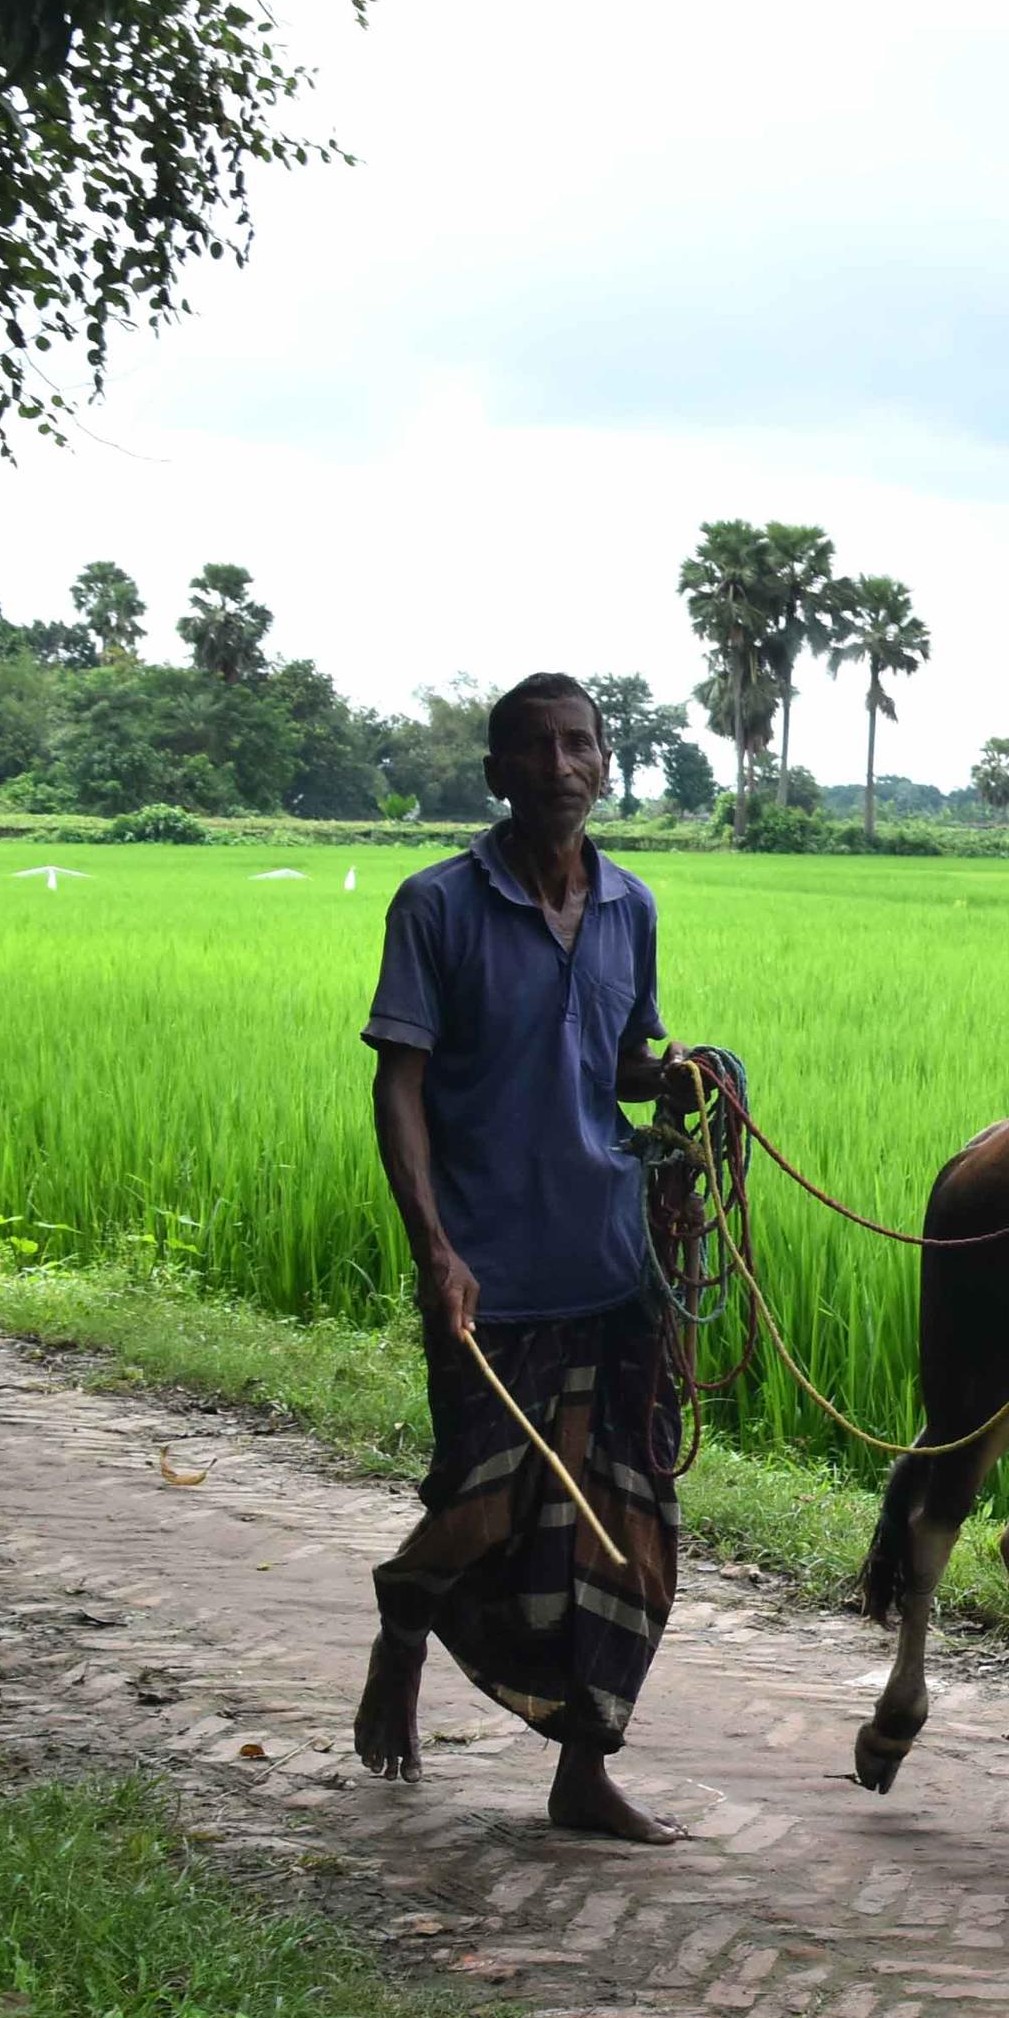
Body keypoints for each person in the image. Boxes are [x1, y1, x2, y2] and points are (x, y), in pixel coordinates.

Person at [353, 672, 698, 1841]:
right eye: (535, 749)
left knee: (631, 1528)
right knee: (486, 1513)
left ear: (606, 762)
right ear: (496, 773)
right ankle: (406, 1617)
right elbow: (398, 1084)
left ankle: (583, 1769)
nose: (561, 766)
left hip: (610, 1267)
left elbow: (617, 1067)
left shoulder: (631, 907)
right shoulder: (437, 907)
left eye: (581, 745)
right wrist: (433, 1249)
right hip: (489, 1277)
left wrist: (686, 1078)